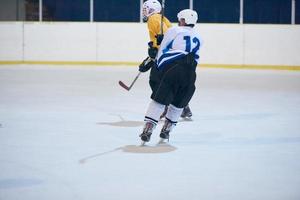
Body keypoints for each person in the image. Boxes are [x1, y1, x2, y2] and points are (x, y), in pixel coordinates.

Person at [139, 9, 202, 144]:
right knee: (178, 104)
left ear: (183, 20)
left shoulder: (173, 31)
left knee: (159, 100)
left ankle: (148, 128)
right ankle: (167, 128)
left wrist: (157, 68)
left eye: (180, 19)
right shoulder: (199, 37)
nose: (179, 21)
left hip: (173, 70)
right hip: (191, 74)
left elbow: (162, 52)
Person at [139, 0, 193, 119]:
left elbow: (165, 36)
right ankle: (183, 107)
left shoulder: (153, 19)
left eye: (145, 9)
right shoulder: (160, 18)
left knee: (155, 80)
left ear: (151, 10)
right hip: (169, 54)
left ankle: (165, 106)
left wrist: (156, 51)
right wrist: (150, 57)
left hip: (166, 56)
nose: (144, 12)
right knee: (165, 81)